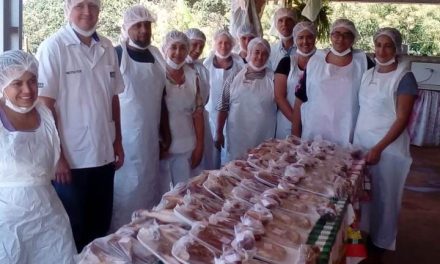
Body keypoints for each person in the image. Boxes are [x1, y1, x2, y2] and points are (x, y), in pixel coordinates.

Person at [36, 0, 125, 251]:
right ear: (67, 10)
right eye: (80, 5)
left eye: (93, 5)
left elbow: (113, 98)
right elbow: (45, 106)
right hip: (71, 161)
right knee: (73, 227)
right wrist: (58, 157)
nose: (87, 11)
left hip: (104, 155)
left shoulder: (107, 47)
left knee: (101, 225)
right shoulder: (53, 48)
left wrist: (118, 141)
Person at [0, 50, 76, 263]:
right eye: (17, 83)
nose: (27, 90)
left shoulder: (45, 114)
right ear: (2, 84)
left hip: (49, 216)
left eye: (32, 81)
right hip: (7, 222)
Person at [354, 28, 417, 256]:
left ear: (396, 48)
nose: (382, 50)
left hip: (388, 149)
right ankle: (363, 234)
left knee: (385, 197)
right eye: (378, 45)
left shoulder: (404, 77)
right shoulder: (368, 73)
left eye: (388, 45)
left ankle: (381, 242)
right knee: (364, 196)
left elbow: (402, 119)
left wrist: (379, 148)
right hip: (362, 144)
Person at [110, 5, 170, 231]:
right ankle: (121, 240)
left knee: (149, 191)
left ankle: (146, 240)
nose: (144, 30)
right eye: (137, 26)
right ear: (126, 28)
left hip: (150, 140)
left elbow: (162, 98)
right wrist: (112, 141)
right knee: (126, 195)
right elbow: (107, 100)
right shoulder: (117, 54)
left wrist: (166, 134)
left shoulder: (156, 55)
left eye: (147, 25)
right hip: (124, 141)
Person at [292, 18, 374, 146]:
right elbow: (300, 98)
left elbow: (372, 100)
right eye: (336, 34)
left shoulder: (363, 62)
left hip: (347, 131)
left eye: (346, 35)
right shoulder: (315, 61)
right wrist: (295, 133)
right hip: (315, 130)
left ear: (354, 38)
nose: (340, 39)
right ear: (331, 36)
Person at [216, 37, 276, 161]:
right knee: (237, 171)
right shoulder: (234, 77)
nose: (260, 57)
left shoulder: (274, 79)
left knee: (261, 170)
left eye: (264, 54)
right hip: (237, 136)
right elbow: (223, 106)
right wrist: (218, 132)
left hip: (264, 136)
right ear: (249, 53)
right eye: (257, 52)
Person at [162, 30, 204, 185]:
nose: (178, 52)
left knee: (183, 194)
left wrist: (200, 146)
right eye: (173, 47)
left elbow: (198, 114)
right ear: (165, 49)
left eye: (182, 48)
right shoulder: (157, 74)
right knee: (162, 196)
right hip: (162, 148)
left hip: (187, 145)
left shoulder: (193, 76)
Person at [204, 29, 244, 167]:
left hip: (233, 116)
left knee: (230, 155)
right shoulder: (206, 65)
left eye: (227, 43)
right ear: (214, 43)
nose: (223, 46)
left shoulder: (240, 65)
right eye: (220, 42)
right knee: (211, 155)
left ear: (232, 45)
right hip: (210, 116)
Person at [274, 21, 317, 139]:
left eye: (309, 37)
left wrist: (307, 124)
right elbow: (279, 96)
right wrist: (296, 122)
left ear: (315, 38)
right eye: (300, 37)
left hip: (314, 124)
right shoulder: (286, 62)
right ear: (295, 39)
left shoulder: (322, 62)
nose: (305, 42)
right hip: (287, 121)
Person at [185, 28, 216, 172]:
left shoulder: (202, 69)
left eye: (201, 46)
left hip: (201, 121)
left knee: (203, 164)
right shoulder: (174, 68)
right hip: (182, 124)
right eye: (194, 44)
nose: (198, 50)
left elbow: (206, 97)